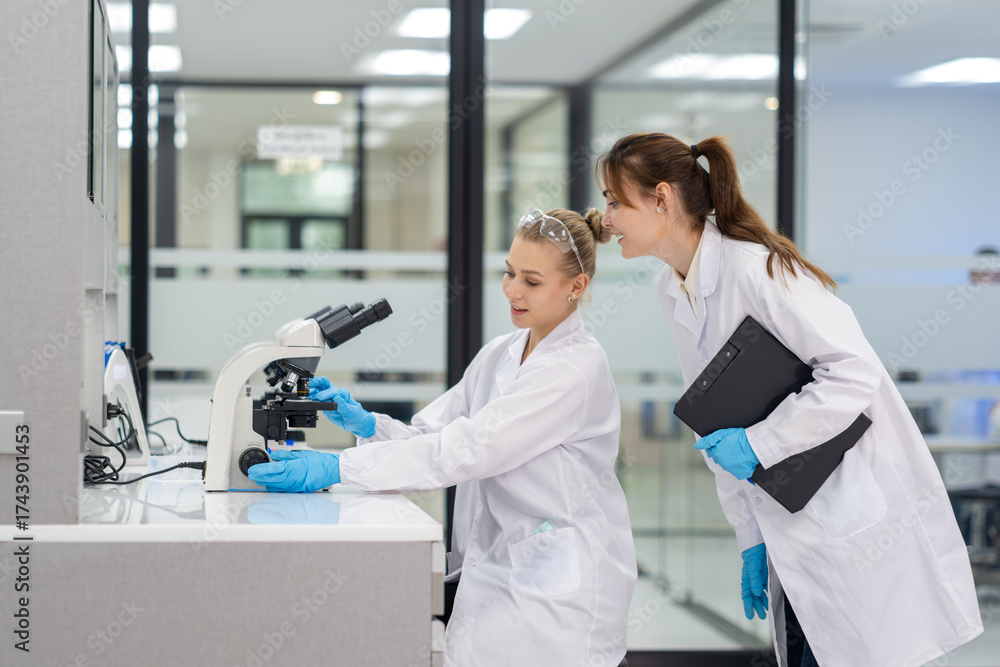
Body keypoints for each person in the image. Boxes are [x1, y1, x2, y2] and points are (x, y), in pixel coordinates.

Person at [596, 132, 983, 667]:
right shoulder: (674, 288)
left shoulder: (757, 269)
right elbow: (715, 419)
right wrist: (749, 535)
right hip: (788, 519)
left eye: (615, 202)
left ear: (661, 198)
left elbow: (853, 372)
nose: (606, 219)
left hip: (847, 508)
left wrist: (760, 444)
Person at [249, 208, 637, 667]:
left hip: (555, 589)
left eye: (531, 282)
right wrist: (369, 425)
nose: (512, 290)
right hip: (495, 569)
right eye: (509, 272)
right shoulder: (501, 352)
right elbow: (433, 434)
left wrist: (339, 467)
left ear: (577, 286)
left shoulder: (574, 368)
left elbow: (470, 449)